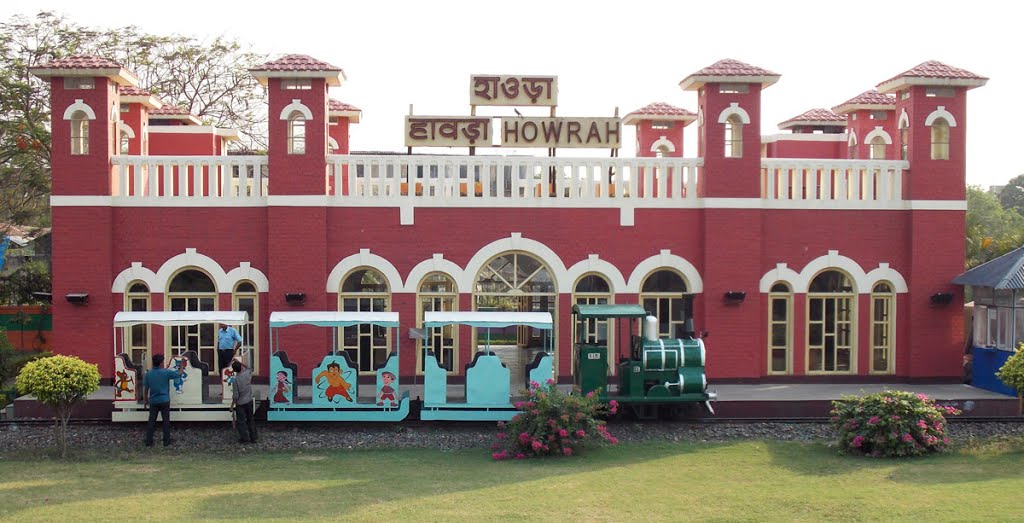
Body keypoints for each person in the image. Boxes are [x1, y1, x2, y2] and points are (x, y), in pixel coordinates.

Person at [143, 354, 185, 447]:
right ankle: (166, 441)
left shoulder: (148, 374)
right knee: (166, 422)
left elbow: (146, 389)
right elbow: (179, 373)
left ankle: (149, 441)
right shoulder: (166, 372)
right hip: (164, 400)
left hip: (153, 401)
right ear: (161, 363)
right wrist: (182, 364)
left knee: (151, 422)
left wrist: (146, 400)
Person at [230, 359, 257, 444]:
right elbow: (249, 367)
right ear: (241, 367)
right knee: (250, 419)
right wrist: (239, 361)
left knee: (241, 422)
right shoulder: (247, 374)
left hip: (240, 403)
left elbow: (235, 396)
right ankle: (253, 437)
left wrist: (232, 406)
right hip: (249, 400)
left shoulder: (235, 380)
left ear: (233, 370)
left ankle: (245, 439)